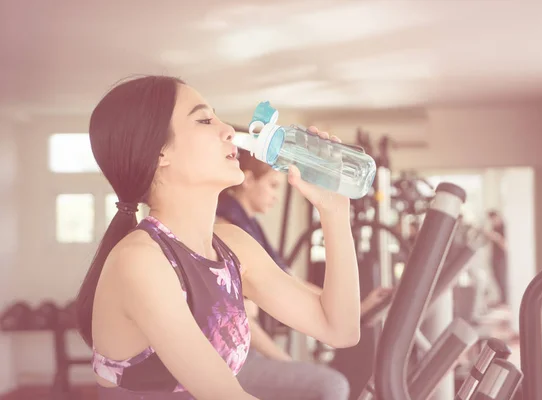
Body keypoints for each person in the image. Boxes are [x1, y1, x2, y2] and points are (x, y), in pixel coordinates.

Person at [75, 75, 362, 400]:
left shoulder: (232, 246)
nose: (228, 130)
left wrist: (335, 212)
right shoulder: (141, 260)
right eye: (204, 119)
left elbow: (339, 329)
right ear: (159, 153)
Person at [216, 150, 394, 400]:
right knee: (331, 386)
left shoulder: (244, 232)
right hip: (234, 356)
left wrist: (359, 307)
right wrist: (286, 361)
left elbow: (289, 282)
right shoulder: (227, 232)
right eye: (272, 186)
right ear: (247, 181)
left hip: (241, 351)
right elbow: (243, 320)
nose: (276, 196)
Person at [485, 210, 508, 305]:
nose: (492, 222)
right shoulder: (494, 227)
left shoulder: (504, 228)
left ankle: (505, 300)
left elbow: (506, 245)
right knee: (497, 278)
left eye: (493, 219)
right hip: (494, 257)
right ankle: (502, 299)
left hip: (502, 258)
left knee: (502, 279)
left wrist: (497, 237)